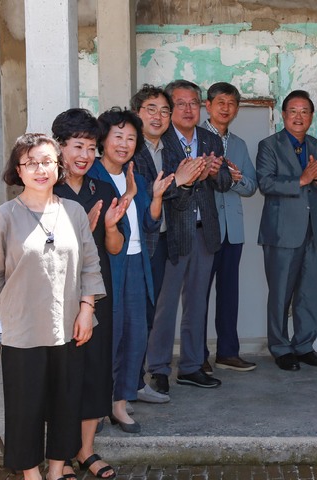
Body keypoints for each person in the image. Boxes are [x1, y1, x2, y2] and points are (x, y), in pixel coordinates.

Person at [0, 133, 105, 480]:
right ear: (18, 169)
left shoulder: (73, 211)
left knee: (65, 402)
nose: (40, 169)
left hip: (68, 327)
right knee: (24, 408)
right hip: (21, 331)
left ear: (57, 167)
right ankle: (31, 473)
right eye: (31, 162)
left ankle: (58, 469)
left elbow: (90, 263)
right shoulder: (5, 217)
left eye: (47, 161)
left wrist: (87, 308)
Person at [52, 109, 127, 479]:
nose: (85, 154)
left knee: (96, 371)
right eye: (77, 146)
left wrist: (109, 227)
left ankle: (86, 451)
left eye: (92, 147)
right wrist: (81, 234)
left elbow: (114, 248)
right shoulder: (45, 189)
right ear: (60, 147)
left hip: (98, 293)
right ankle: (59, 456)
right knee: (63, 374)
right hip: (57, 296)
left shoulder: (103, 188)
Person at [90, 108, 173, 433]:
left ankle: (119, 405)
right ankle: (95, 406)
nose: (124, 144)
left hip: (138, 265)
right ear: (104, 140)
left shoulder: (136, 177)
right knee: (105, 340)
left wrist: (154, 197)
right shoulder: (93, 178)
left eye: (130, 138)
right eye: (118, 137)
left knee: (135, 337)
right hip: (108, 268)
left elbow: (151, 224)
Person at [145, 79, 231, 392]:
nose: (188, 109)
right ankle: (157, 368)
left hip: (204, 231)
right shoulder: (159, 140)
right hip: (171, 232)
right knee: (166, 304)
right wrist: (190, 177)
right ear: (170, 109)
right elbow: (161, 186)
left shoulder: (210, 138)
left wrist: (212, 172)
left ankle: (192, 366)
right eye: (180, 103)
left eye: (193, 103)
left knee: (197, 302)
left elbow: (223, 181)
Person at [257, 89, 317, 371]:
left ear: (312, 117)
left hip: (314, 232)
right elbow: (265, 184)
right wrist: (302, 179)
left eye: (305, 111)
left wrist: (316, 180)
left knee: (309, 292)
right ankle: (280, 348)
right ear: (283, 114)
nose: (299, 116)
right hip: (281, 233)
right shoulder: (269, 145)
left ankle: (304, 345)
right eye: (293, 111)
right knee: (280, 293)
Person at [201, 82, 258, 372]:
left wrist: (235, 179)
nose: (226, 108)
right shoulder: (195, 138)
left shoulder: (238, 144)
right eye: (220, 102)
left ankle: (227, 352)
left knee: (228, 294)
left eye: (232, 103)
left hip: (232, 231)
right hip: (203, 229)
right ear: (207, 106)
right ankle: (197, 356)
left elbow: (251, 187)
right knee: (198, 295)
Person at [131, 84, 174, 404]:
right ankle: (124, 385)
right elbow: (146, 195)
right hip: (133, 242)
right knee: (132, 314)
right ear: (137, 114)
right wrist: (180, 184)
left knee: (149, 313)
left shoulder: (169, 151)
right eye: (151, 109)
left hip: (160, 241)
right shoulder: (131, 150)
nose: (158, 116)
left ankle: (135, 381)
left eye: (164, 111)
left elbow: (173, 193)